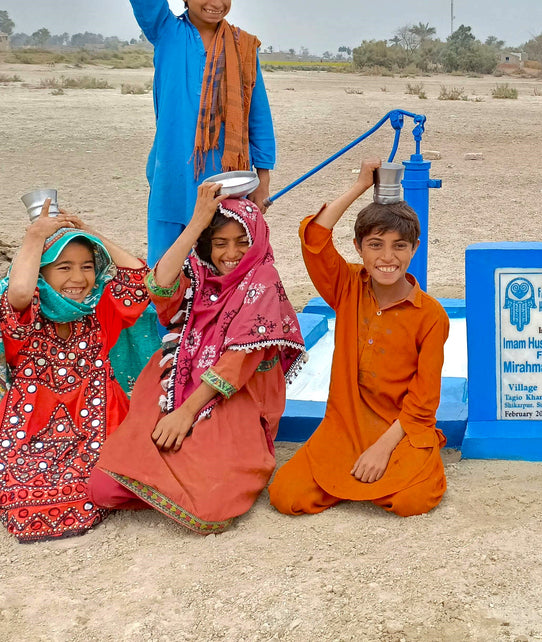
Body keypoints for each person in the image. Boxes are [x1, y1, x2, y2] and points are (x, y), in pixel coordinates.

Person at [88, 184, 305, 534]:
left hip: (236, 397)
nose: (231, 253)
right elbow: (158, 286)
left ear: (257, 240)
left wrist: (185, 414)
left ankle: (174, 476)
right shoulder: (199, 275)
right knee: (104, 488)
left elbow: (236, 363)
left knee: (210, 508)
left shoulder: (264, 279)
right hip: (178, 383)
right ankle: (165, 478)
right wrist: (196, 222)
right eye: (220, 243)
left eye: (242, 241)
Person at [269, 159, 449, 518]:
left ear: (414, 248)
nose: (387, 258)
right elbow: (315, 237)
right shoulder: (347, 286)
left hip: (400, 428)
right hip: (344, 425)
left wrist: (382, 449)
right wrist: (360, 187)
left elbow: (424, 399)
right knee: (287, 496)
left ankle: (402, 459)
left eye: (399, 246)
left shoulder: (431, 315)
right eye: (375, 245)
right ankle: (351, 471)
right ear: (358, 247)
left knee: (412, 502)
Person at [123, 0, 276, 265]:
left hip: (230, 182)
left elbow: (258, 116)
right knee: (168, 277)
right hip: (173, 179)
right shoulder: (167, 32)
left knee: (226, 275)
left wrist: (264, 179)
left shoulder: (244, 47)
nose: (216, 2)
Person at [0, 201, 149, 541]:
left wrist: (88, 232)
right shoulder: (27, 314)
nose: (79, 279)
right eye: (63, 267)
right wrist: (34, 237)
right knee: (20, 487)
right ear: (41, 272)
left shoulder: (99, 310)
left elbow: (140, 278)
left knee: (101, 480)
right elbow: (20, 291)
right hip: (29, 427)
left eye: (87, 266)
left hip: (99, 421)